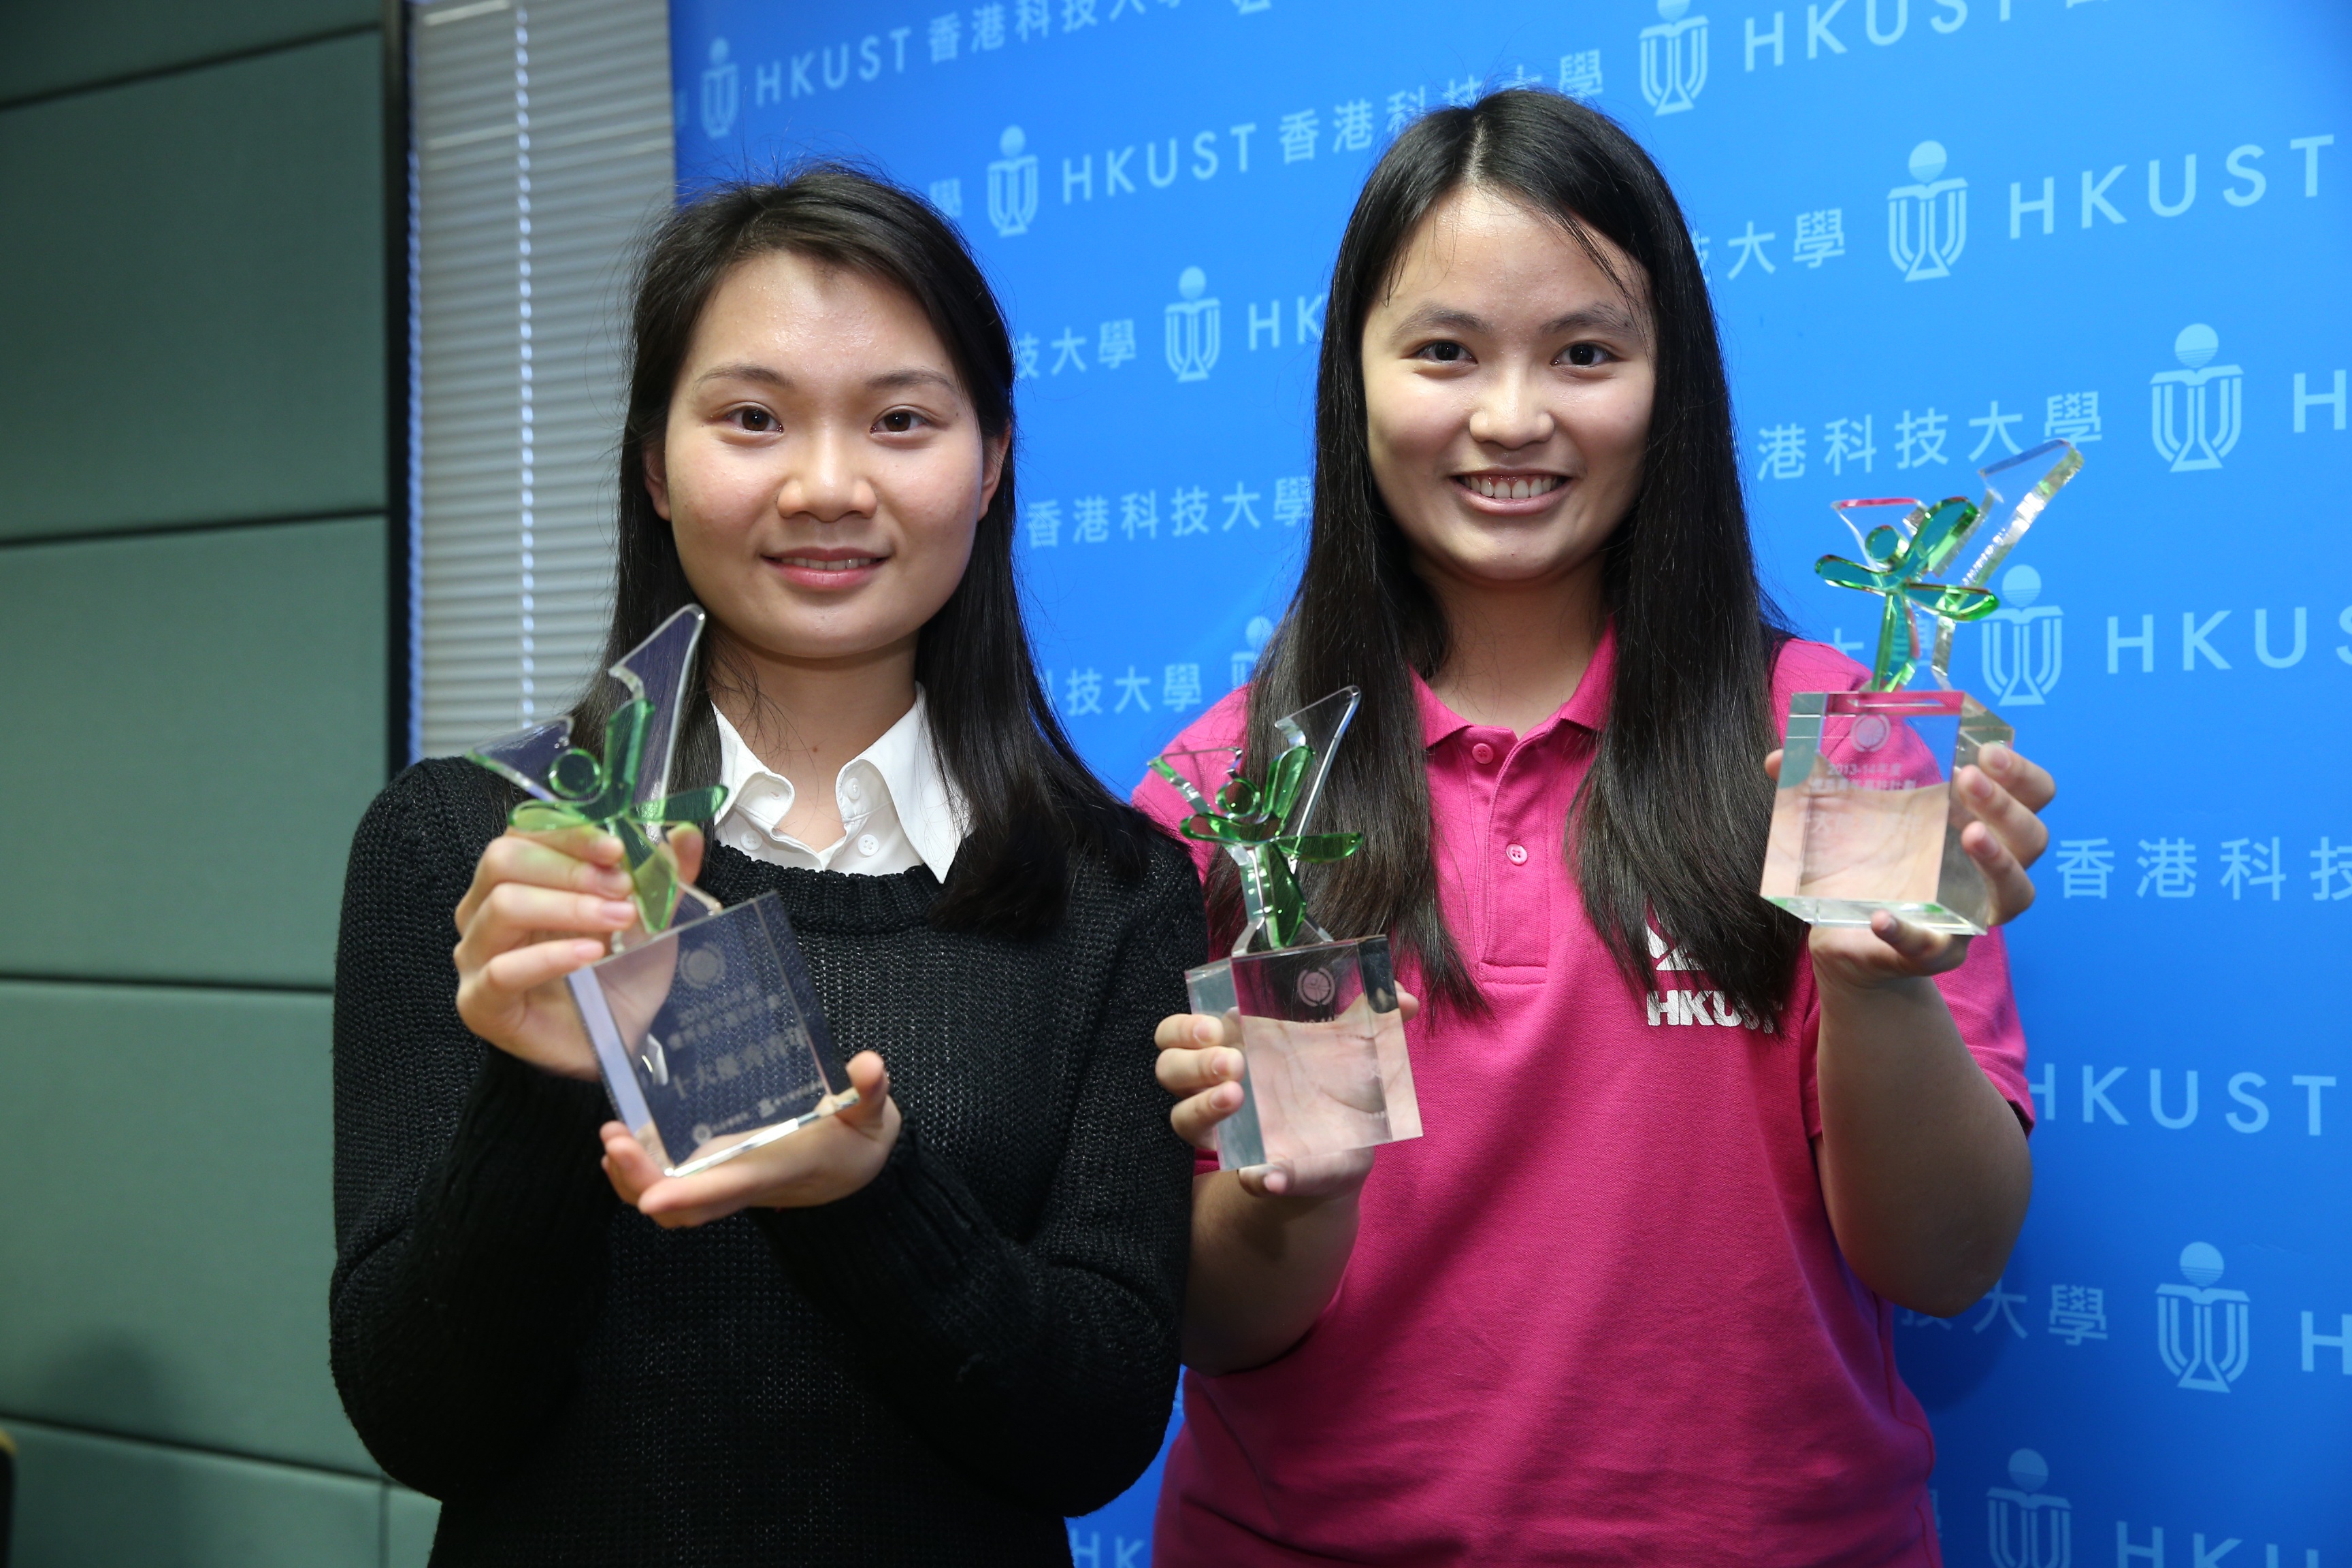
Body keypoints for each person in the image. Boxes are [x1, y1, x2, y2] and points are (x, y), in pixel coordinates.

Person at [1139, 92, 2053, 1564]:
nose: (1513, 417)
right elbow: (1212, 1326)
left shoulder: (1839, 740)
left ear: (1667, 382)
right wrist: (1294, 1191)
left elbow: (1944, 1265)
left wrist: (1876, 983)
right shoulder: (1239, 799)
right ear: (1352, 384)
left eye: (1585, 352)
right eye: (1444, 351)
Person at [331, 167, 1203, 1566]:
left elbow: (1093, 1431)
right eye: (753, 418)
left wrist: (863, 1195)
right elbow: (424, 1422)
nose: (826, 486)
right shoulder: (471, 849)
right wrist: (544, 1076)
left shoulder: (1118, 894)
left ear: (989, 465)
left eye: (901, 421)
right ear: (656, 465)